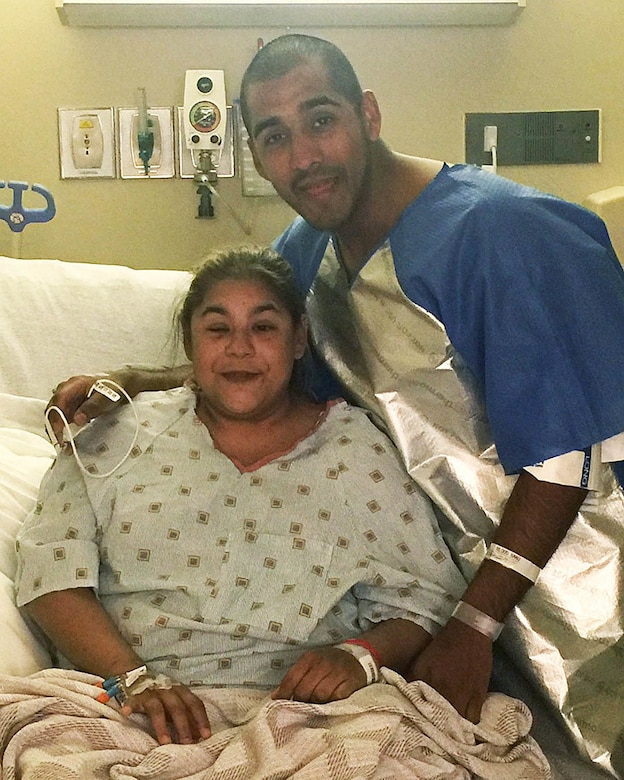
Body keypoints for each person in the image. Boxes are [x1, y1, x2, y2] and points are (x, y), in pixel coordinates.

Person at [48, 34, 624, 768]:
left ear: (369, 115)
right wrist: (130, 380)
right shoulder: (308, 253)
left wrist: (475, 623)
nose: (305, 157)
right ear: (255, 155)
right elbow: (257, 358)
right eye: (276, 136)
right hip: (450, 605)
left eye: (322, 120)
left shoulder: (509, 232)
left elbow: (568, 451)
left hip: (578, 587)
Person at [18, 246, 467, 747]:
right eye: (217, 328)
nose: (240, 348)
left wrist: (361, 655)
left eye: (264, 327)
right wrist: (133, 679)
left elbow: (426, 599)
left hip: (314, 720)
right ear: (190, 343)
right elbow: (51, 575)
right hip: (128, 706)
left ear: (298, 339)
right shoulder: (116, 438)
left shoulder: (357, 450)